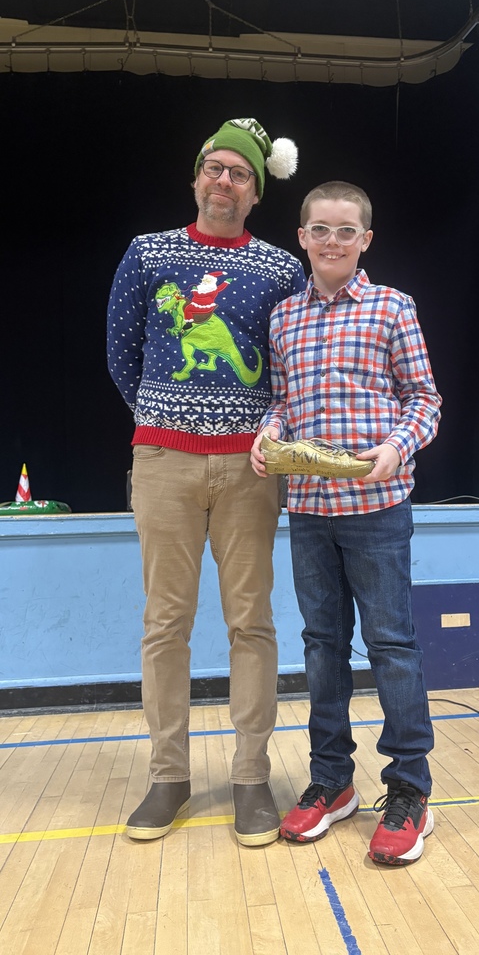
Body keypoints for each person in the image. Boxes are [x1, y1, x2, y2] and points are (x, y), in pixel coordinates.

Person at [107, 117, 307, 845]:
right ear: (196, 177)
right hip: (164, 462)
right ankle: (169, 776)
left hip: (251, 468)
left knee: (251, 623)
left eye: (241, 174)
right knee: (165, 623)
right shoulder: (147, 253)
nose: (226, 181)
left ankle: (251, 777)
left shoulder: (282, 269)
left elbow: (286, 366)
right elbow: (121, 352)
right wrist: (168, 424)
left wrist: (241, 430)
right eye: (216, 168)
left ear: (256, 192)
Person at [250, 180, 441, 865]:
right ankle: (331, 780)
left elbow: (424, 399)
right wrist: (267, 435)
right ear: (301, 237)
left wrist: (394, 448)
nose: (333, 240)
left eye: (347, 230)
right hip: (308, 512)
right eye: (320, 229)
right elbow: (280, 401)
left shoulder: (393, 308)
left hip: (377, 512)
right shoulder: (283, 318)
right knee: (322, 648)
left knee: (391, 647)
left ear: (366, 239)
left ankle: (410, 789)